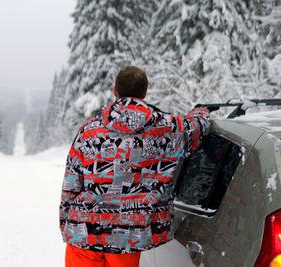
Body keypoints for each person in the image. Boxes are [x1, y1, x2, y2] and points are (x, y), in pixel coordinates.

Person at [59, 66, 210, 267]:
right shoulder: (167, 129)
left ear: (115, 91)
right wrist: (201, 111)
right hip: (127, 236)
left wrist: (67, 223)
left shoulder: (89, 130)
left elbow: (71, 183)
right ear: (145, 93)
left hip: (84, 232)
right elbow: (198, 127)